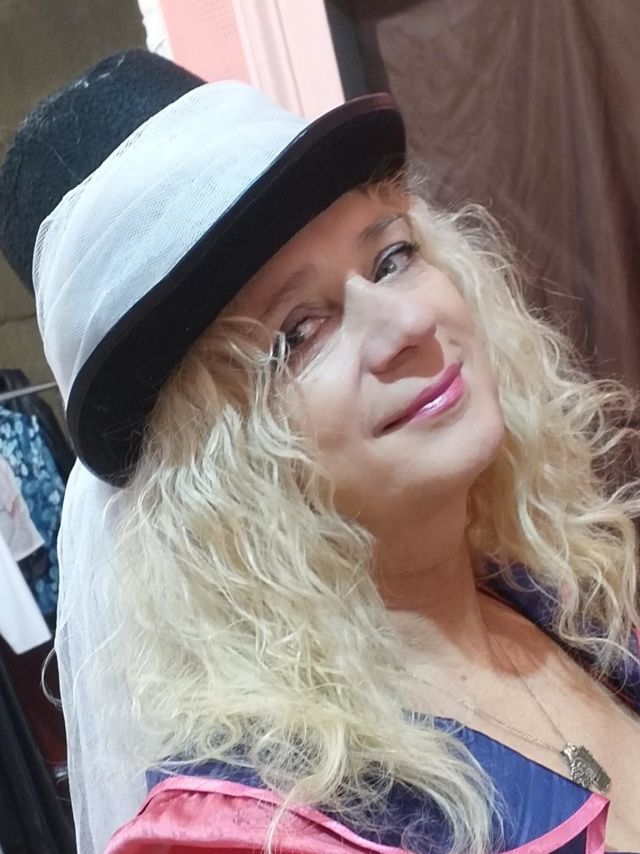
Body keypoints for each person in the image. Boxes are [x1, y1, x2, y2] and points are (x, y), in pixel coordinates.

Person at [1, 50, 640, 854]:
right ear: (211, 465)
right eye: (298, 331)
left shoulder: (564, 601)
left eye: (393, 258)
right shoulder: (245, 831)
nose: (407, 324)